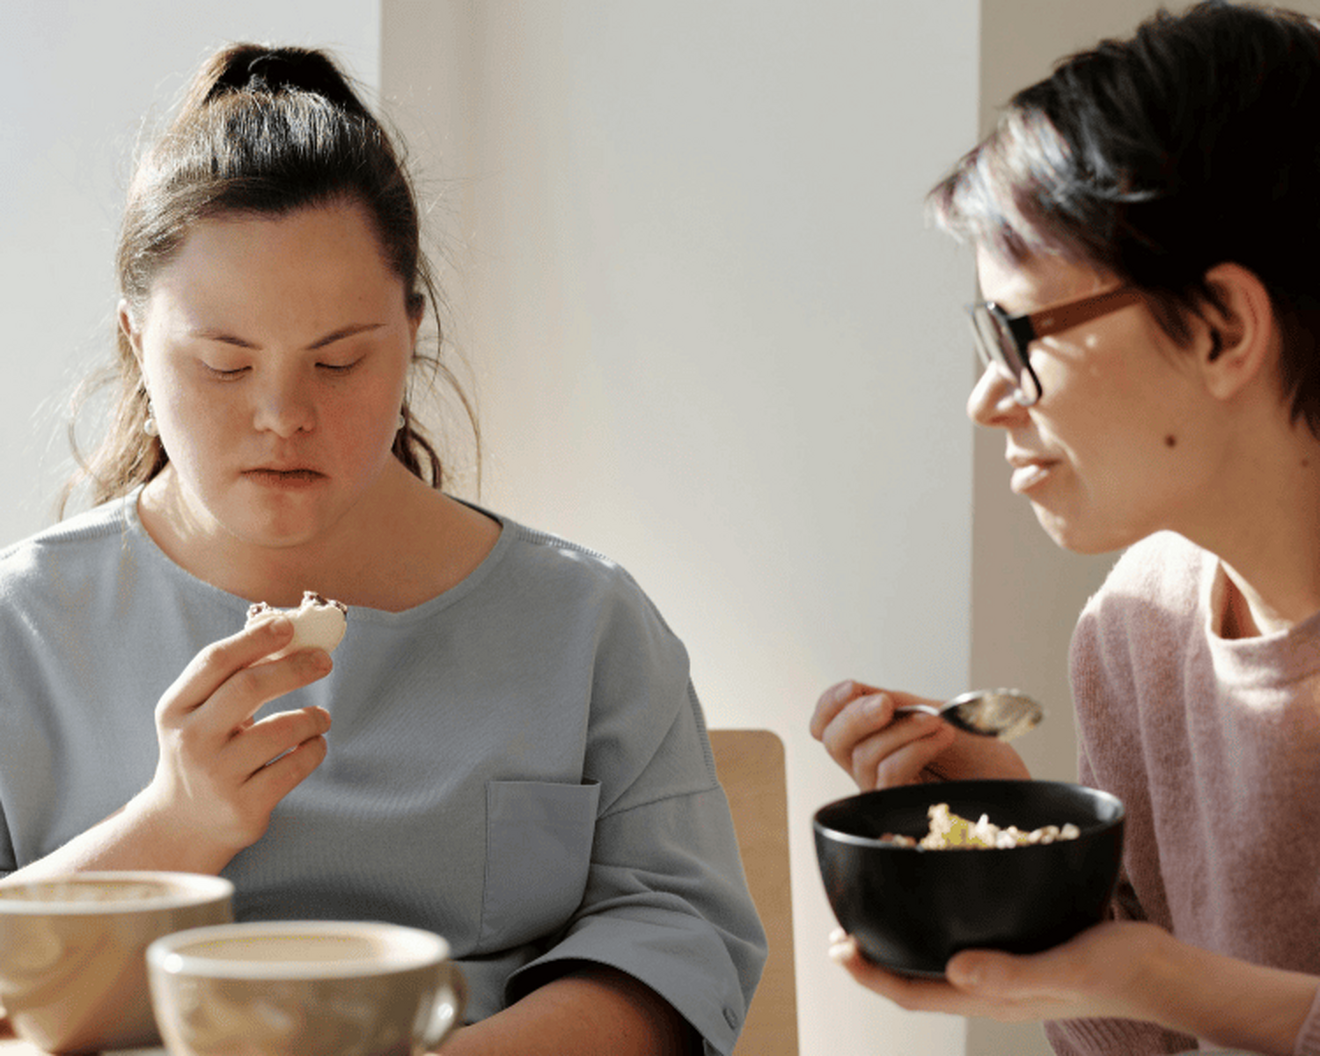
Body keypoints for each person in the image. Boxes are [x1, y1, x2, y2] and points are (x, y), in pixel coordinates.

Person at [0, 44, 765, 1056]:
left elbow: (681, 935)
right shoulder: (25, 627)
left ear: (411, 332)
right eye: (225, 364)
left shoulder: (585, 625)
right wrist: (175, 823)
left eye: (339, 360)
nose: (283, 415)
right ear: (138, 342)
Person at [809, 2, 1320, 1053]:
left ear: (1223, 328)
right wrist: (1041, 863)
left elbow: (1171, 993)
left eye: (1021, 334)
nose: (989, 400)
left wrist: (1167, 978)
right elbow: (1137, 1042)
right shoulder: (1140, 623)